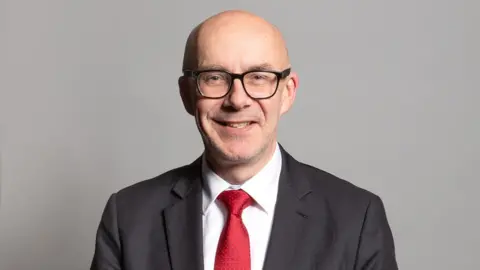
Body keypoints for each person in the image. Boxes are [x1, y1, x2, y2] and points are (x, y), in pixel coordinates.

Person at [90, 10, 398, 270]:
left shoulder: (357, 218)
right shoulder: (128, 217)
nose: (237, 100)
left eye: (259, 77)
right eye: (214, 77)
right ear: (186, 94)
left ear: (288, 92)